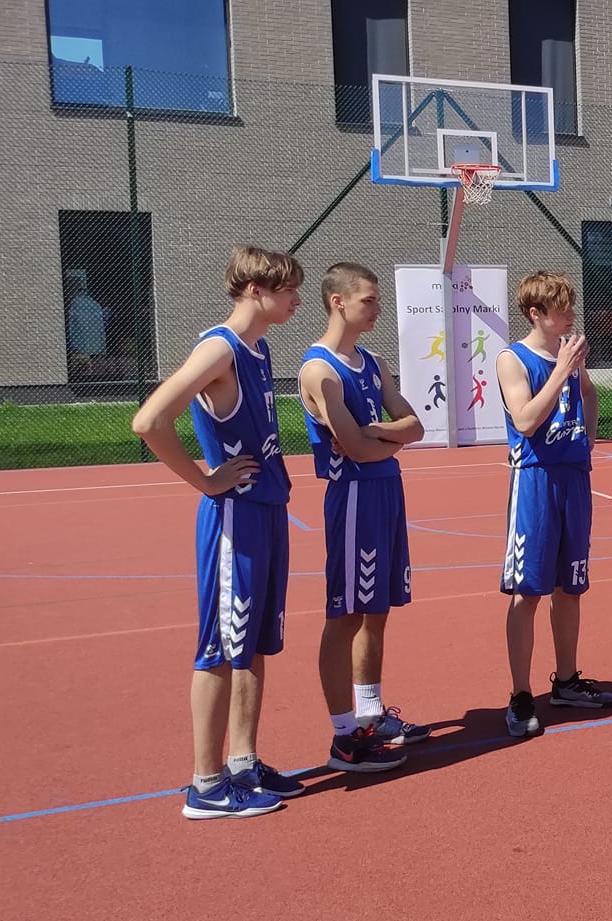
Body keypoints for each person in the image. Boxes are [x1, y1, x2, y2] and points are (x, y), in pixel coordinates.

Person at [130, 245, 304, 819]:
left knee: (251, 645)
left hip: (267, 510)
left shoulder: (258, 348)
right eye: (288, 291)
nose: (296, 300)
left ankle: (242, 762)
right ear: (256, 290)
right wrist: (205, 481)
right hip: (234, 517)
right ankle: (205, 785)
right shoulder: (219, 348)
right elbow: (150, 420)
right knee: (218, 648)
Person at [297, 263, 424, 775]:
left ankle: (370, 713)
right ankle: (344, 736)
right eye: (368, 300)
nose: (377, 309)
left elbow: (415, 425)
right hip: (352, 497)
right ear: (339, 302)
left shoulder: (373, 363)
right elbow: (355, 448)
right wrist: (387, 438)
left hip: (386, 491)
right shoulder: (319, 369)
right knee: (346, 613)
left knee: (377, 609)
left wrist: (382, 434)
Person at [496, 272, 612, 737]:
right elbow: (525, 419)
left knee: (571, 587)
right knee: (528, 591)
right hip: (536, 481)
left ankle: (566, 680)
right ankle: (520, 694)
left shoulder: (568, 353)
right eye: (561, 310)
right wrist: (562, 371)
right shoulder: (513, 359)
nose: (570, 317)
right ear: (536, 314)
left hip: (573, 477)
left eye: (571, 308)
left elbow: (589, 392)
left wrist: (588, 438)